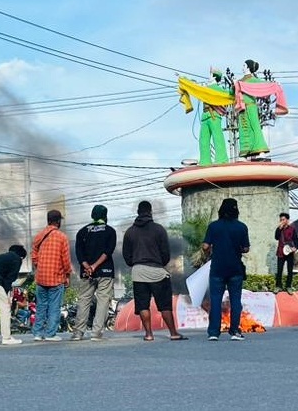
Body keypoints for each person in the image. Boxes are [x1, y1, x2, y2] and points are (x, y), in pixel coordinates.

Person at [123, 201, 186, 342]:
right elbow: (165, 254)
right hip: (157, 271)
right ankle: (173, 333)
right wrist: (159, 263)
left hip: (138, 272)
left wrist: (136, 263)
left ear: (138, 212)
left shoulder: (130, 232)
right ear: (150, 212)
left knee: (143, 305)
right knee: (164, 305)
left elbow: (127, 256)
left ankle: (149, 334)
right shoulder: (159, 229)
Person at [202, 198, 250, 341]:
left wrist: (209, 253)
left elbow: (205, 246)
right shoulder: (242, 227)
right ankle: (234, 331)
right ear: (236, 210)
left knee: (215, 300)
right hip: (235, 269)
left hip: (217, 268)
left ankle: (213, 333)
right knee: (236, 300)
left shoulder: (214, 226)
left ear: (221, 210)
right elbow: (246, 248)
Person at [73, 205, 117, 341]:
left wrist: (88, 266)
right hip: (105, 271)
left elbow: (79, 254)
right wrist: (95, 266)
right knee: (103, 301)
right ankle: (96, 333)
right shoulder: (110, 231)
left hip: (87, 273)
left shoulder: (82, 232)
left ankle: (78, 333)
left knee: (84, 301)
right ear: (105, 216)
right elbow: (107, 252)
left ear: (92, 216)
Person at [31, 210, 72, 342]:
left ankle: (37, 333)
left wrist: (40, 266)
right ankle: (50, 334)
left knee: (41, 306)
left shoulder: (39, 236)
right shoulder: (62, 237)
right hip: (56, 277)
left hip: (41, 277)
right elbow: (65, 259)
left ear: (48, 220)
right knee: (54, 307)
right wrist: (67, 275)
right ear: (58, 221)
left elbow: (34, 255)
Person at [237, 59, 270, 158]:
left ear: (248, 67)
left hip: (251, 106)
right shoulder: (239, 81)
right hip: (241, 108)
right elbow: (231, 92)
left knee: (255, 127)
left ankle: (261, 150)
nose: (242, 68)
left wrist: (274, 85)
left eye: (243, 66)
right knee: (243, 130)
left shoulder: (253, 80)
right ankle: (245, 153)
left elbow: (264, 85)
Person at [199, 68, 230, 166]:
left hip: (214, 115)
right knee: (203, 139)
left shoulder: (217, 89)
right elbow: (194, 87)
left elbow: (228, 94)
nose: (208, 77)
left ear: (213, 77)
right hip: (205, 115)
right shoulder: (205, 88)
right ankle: (204, 160)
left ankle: (222, 159)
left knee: (217, 137)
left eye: (210, 75)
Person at [274, 212, 298, 294]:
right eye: (281, 219)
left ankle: (288, 286)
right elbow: (276, 237)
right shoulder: (279, 229)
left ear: (287, 220)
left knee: (290, 270)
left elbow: (295, 239)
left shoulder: (292, 229)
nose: (282, 221)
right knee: (279, 270)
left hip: (289, 252)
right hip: (281, 251)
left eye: (283, 219)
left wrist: (296, 248)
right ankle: (278, 286)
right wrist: (279, 228)